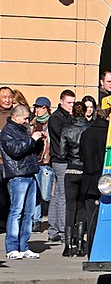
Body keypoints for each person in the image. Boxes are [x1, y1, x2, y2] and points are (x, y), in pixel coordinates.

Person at [1, 105, 45, 259]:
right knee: (16, 211)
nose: (27, 121)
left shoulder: (22, 130)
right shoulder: (7, 132)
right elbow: (15, 150)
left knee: (29, 212)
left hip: (30, 173)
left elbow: (31, 151)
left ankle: (24, 246)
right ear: (15, 117)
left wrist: (38, 141)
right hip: (17, 175)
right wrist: (32, 139)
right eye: (25, 118)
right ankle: (12, 247)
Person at [60, 101, 90, 256]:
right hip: (85, 170)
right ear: (85, 112)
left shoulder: (67, 129)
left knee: (70, 207)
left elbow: (61, 154)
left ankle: (67, 246)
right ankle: (79, 244)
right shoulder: (89, 128)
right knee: (82, 207)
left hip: (71, 169)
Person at [80, 108, 109, 255]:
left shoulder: (86, 133)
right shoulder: (109, 135)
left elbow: (82, 156)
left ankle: (90, 250)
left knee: (91, 219)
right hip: (106, 182)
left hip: (89, 180)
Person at [48, 89, 75, 243]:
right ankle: (63, 230)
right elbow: (63, 134)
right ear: (61, 102)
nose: (71, 106)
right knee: (63, 195)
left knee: (58, 194)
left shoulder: (66, 117)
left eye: (73, 102)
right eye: (69, 103)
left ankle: (53, 229)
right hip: (60, 160)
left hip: (63, 159)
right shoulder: (56, 118)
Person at [31, 97, 54, 234]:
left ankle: (53, 220)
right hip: (34, 162)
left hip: (46, 163)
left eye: (40, 107)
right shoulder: (33, 123)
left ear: (46, 108)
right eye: (36, 107)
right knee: (36, 194)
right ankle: (36, 221)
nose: (37, 110)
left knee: (47, 195)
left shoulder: (51, 123)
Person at [0, 86, 13, 233]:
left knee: (11, 195)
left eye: (9, 96)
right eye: (4, 97)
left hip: (12, 162)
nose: (7, 100)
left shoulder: (15, 115)